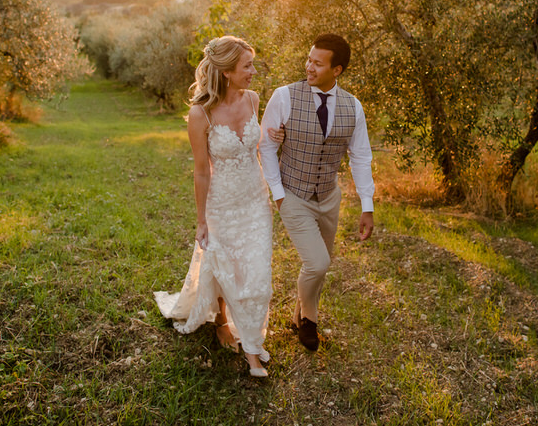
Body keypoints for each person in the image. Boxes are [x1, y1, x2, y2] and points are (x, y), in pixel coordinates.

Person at [154, 35, 281, 378]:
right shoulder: (201, 114)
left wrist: (275, 139)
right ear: (227, 72)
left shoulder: (253, 100)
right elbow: (200, 171)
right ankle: (232, 331)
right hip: (222, 203)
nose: (254, 71)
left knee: (257, 275)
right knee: (226, 267)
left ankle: (252, 343)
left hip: (255, 200)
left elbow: (259, 147)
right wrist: (201, 220)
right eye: (247, 66)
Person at [259, 33, 375, 352]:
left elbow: (361, 156)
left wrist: (368, 206)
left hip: (328, 197)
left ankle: (297, 315)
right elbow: (266, 147)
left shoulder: (354, 107)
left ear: (336, 70)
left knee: (320, 262)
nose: (309, 66)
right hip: (293, 193)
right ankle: (310, 320)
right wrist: (278, 193)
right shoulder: (284, 96)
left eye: (317, 63)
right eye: (308, 59)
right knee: (318, 263)